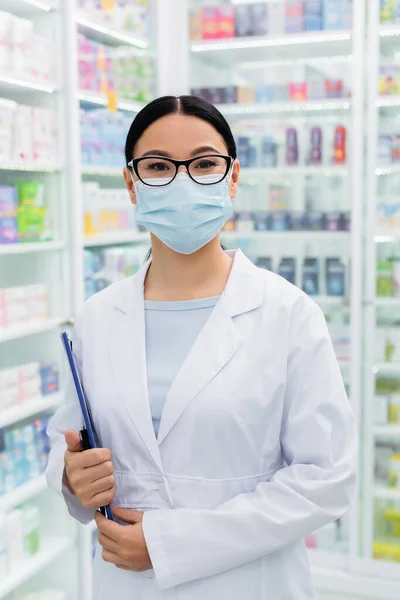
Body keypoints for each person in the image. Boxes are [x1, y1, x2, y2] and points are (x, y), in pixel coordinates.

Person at [46, 95, 356, 600]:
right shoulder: (98, 317)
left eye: (205, 164)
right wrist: (69, 475)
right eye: (158, 166)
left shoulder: (288, 314)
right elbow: (70, 438)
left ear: (232, 177)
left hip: (248, 584)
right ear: (131, 183)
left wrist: (171, 544)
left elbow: (326, 479)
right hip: (125, 585)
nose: (183, 181)